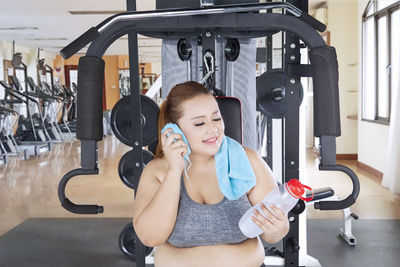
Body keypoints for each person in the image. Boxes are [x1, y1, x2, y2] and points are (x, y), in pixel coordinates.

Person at [133, 81, 289, 267]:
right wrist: (175, 170)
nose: (213, 129)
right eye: (199, 123)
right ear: (173, 129)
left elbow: (272, 235)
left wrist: (277, 227)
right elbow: (150, 238)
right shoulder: (157, 171)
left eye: (216, 118)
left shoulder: (248, 162)